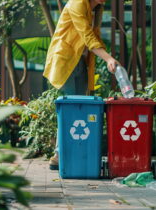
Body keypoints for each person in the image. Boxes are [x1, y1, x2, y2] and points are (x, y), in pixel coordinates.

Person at [43, 0, 119, 170]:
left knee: (81, 109)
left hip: (80, 62)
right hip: (66, 61)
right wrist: (108, 58)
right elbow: (87, 35)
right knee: (70, 108)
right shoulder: (77, 3)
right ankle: (59, 155)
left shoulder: (94, 10)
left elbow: (94, 37)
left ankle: (70, 153)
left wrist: (107, 57)